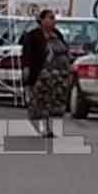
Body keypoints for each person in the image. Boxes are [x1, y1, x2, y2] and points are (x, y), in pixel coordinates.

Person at [20, 9, 72, 138]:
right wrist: (26, 68)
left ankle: (50, 128)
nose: (53, 21)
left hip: (58, 75)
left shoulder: (57, 34)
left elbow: (65, 51)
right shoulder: (33, 35)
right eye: (50, 18)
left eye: (54, 18)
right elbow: (27, 54)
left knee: (53, 102)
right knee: (42, 101)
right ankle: (43, 128)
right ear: (42, 20)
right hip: (41, 74)